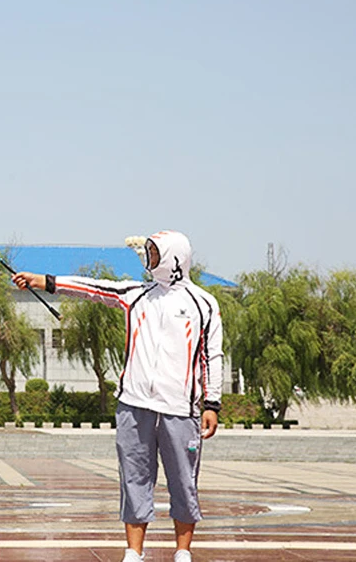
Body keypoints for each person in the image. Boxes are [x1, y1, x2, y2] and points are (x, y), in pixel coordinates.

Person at [12, 231, 223, 562]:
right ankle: (133, 554)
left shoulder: (203, 304)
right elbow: (93, 288)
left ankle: (183, 553)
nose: (148, 258)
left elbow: (212, 356)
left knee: (184, 482)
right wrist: (44, 281)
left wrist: (212, 403)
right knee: (134, 478)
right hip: (134, 406)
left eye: (154, 253)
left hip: (181, 409)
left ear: (174, 257)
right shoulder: (135, 293)